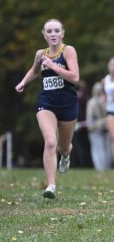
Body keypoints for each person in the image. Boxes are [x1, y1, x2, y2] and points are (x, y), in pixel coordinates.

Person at [15, 19, 80, 199]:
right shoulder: (40, 54)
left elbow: (75, 77)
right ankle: (51, 185)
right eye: (49, 31)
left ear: (62, 33)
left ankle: (65, 155)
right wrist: (23, 82)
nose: (53, 34)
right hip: (47, 104)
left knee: (63, 147)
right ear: (44, 34)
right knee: (50, 142)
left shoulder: (68, 51)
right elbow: (34, 71)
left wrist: (53, 66)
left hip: (68, 105)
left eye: (56, 31)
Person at [86, 82, 112, 170]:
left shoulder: (92, 102)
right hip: (99, 130)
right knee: (102, 150)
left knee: (101, 150)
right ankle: (102, 168)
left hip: (100, 129)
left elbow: (89, 118)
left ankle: (101, 168)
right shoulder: (104, 101)